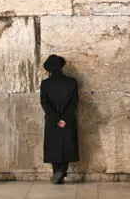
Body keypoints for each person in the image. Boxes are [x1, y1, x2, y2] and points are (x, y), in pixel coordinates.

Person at [40, 54, 79, 185]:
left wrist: (56, 119)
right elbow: (74, 103)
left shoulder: (45, 84)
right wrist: (65, 118)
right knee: (67, 145)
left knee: (53, 146)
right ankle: (62, 171)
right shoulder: (72, 82)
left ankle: (57, 172)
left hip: (52, 120)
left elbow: (45, 103)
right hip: (68, 120)